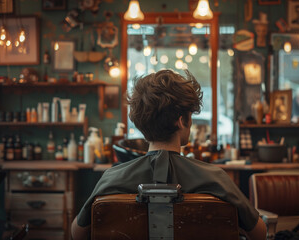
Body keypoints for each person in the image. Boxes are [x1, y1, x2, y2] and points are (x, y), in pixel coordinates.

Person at [71, 69, 266, 240]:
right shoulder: (217, 179)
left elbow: (77, 233)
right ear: (181, 121)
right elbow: (259, 233)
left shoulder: (111, 179)